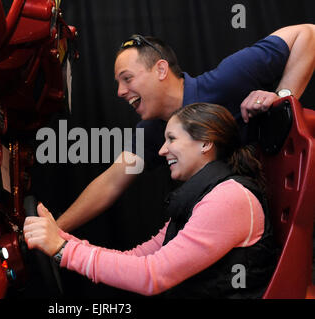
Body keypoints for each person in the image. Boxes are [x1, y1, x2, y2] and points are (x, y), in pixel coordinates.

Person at [55, 24, 315, 232]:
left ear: (160, 69)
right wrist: (56, 230)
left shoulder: (227, 80)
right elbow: (111, 182)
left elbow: (308, 33)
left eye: (127, 79)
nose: (120, 92)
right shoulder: (150, 131)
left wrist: (283, 99)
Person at [24, 103, 277, 298]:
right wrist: (62, 239)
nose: (161, 150)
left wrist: (61, 250)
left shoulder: (228, 198)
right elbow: (137, 258)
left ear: (205, 142)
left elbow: (152, 275)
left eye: (172, 139)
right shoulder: (203, 197)